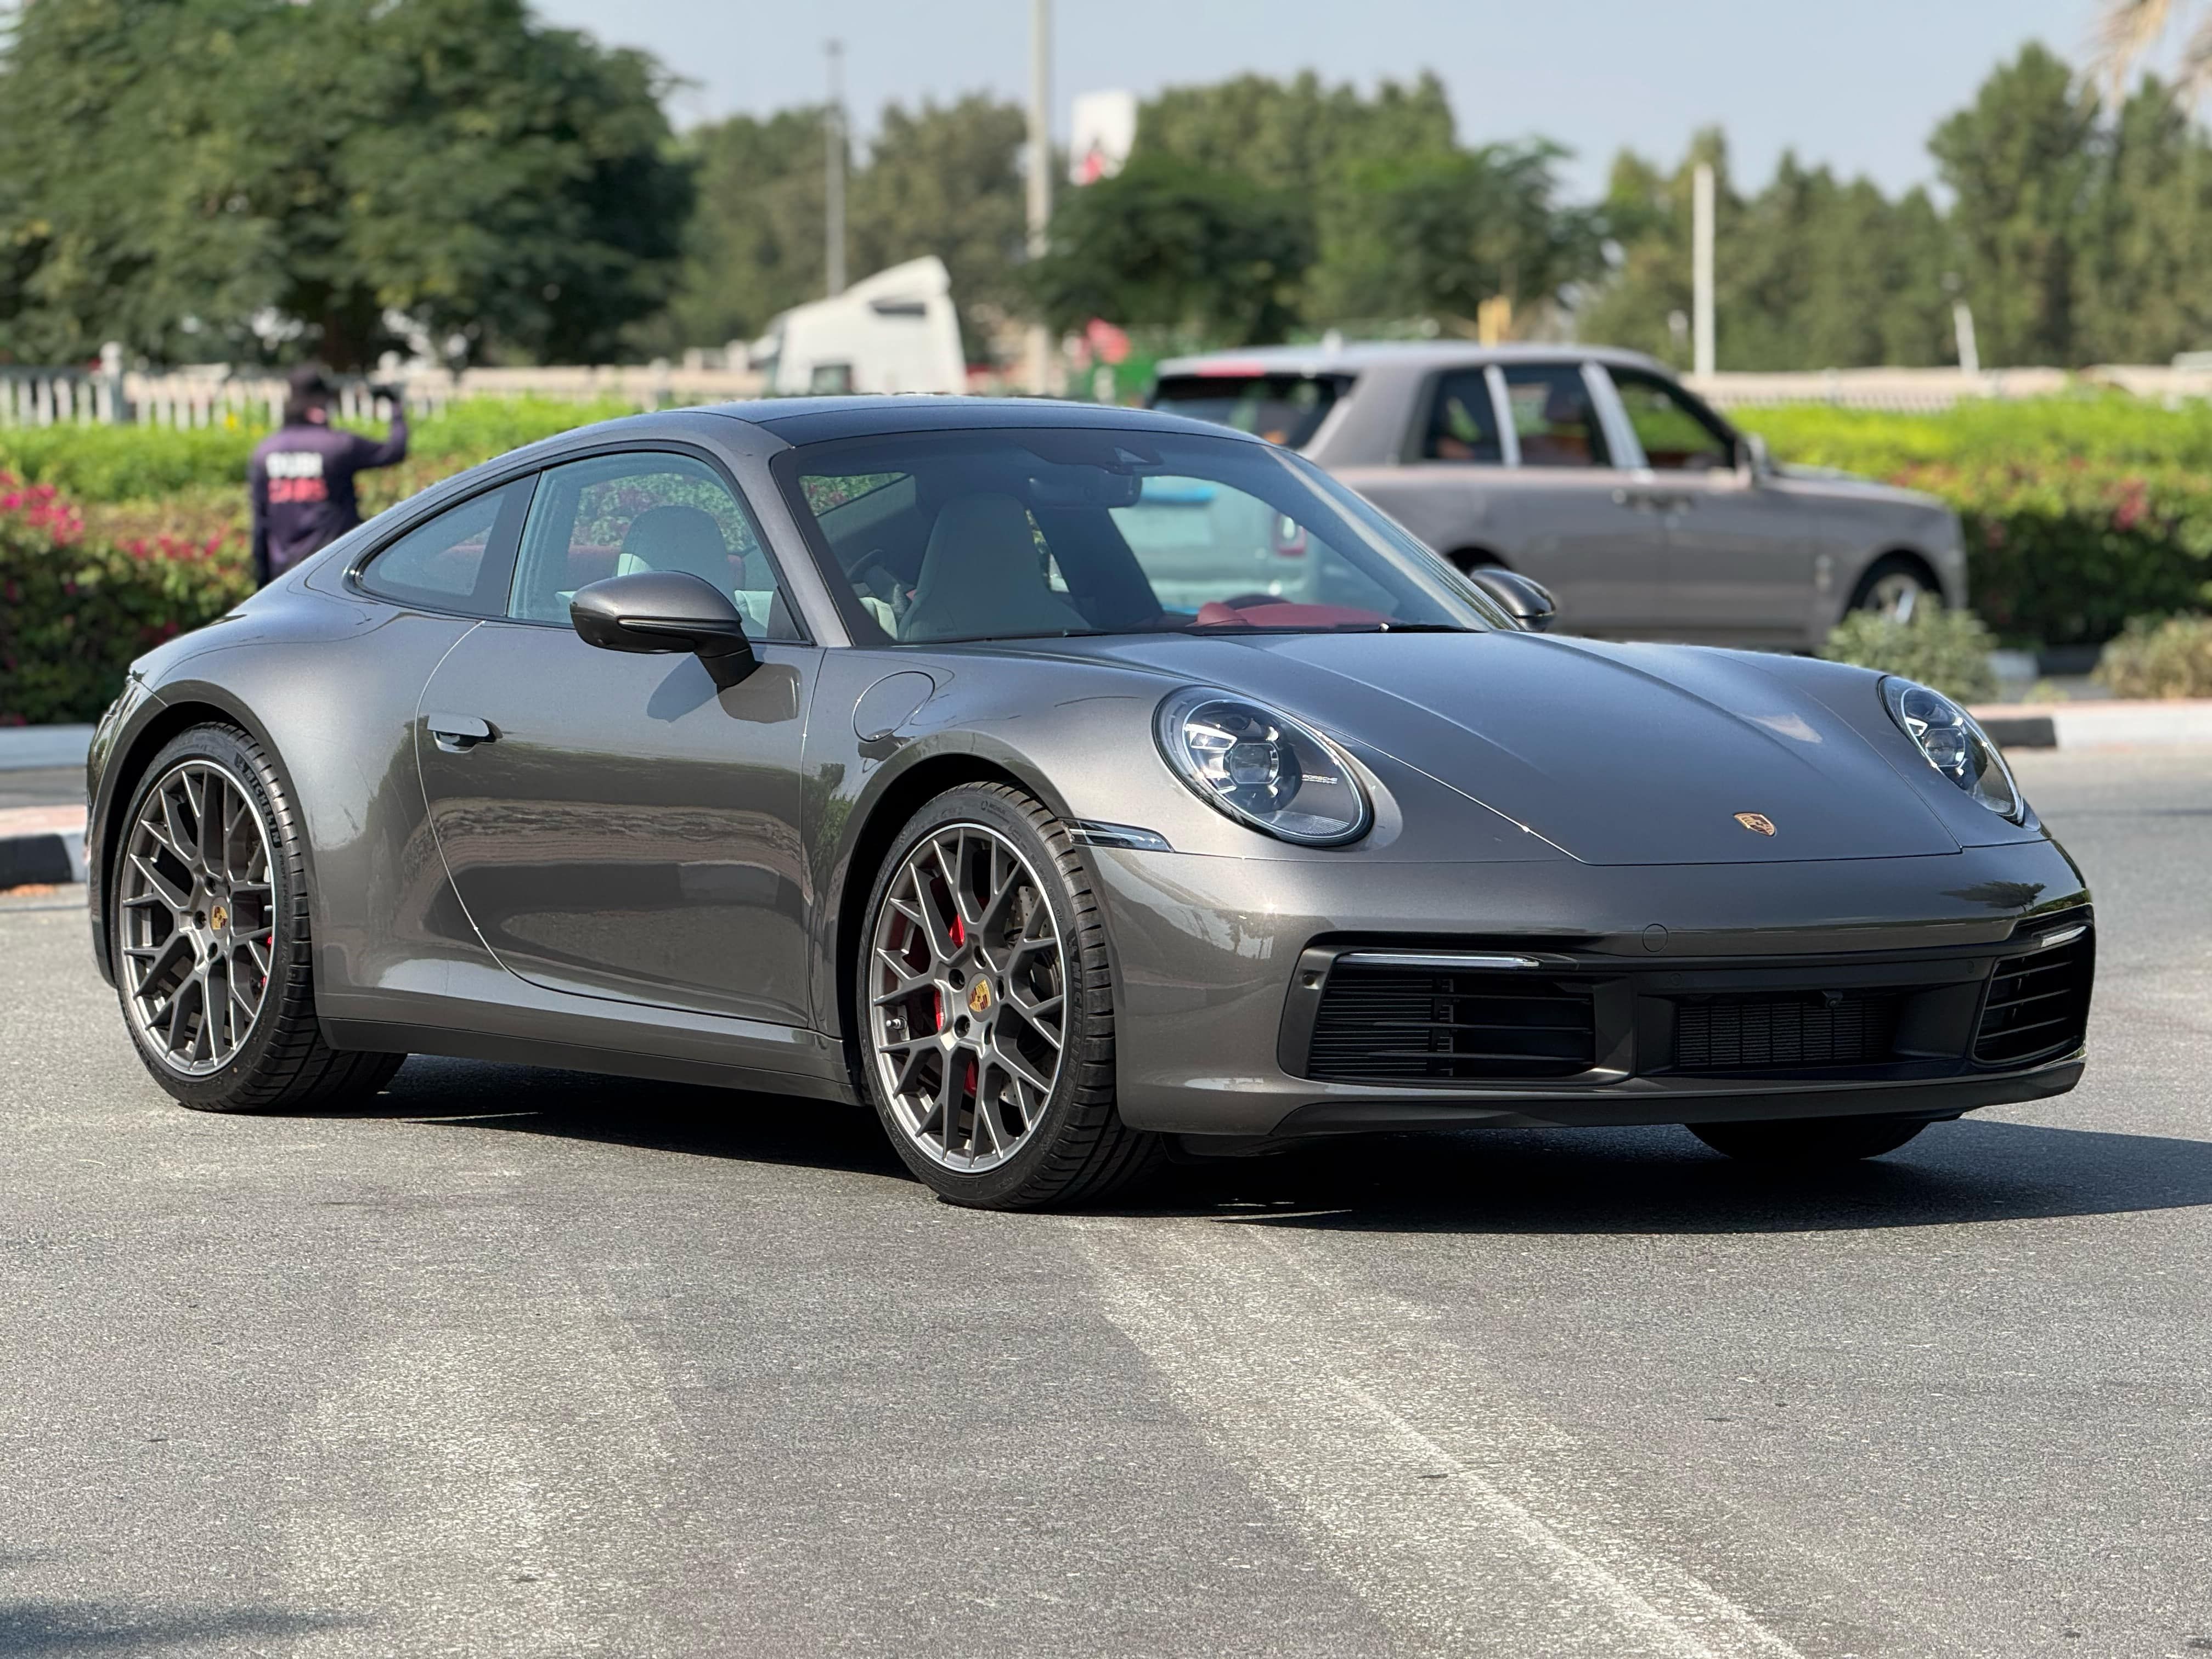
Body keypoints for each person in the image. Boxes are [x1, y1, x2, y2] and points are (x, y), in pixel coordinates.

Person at [247, 364, 409, 585]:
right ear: (322, 400)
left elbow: (260, 524)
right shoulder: (338, 445)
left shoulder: (265, 452)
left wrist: (262, 583)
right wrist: (395, 406)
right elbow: (394, 451)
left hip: (283, 578)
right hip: (334, 572)